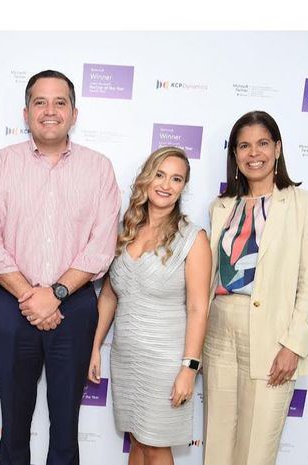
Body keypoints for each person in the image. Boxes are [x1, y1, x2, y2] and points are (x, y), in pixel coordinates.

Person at [0, 69, 121, 465]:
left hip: (73, 307)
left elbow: (101, 246)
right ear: (26, 113)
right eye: (40, 102)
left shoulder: (99, 169)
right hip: (11, 305)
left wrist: (54, 295)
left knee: (65, 429)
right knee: (13, 425)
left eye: (60, 102)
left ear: (75, 113)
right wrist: (29, 295)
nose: (50, 111)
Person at [203, 110, 308, 465]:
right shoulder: (222, 207)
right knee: (217, 442)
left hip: (273, 337)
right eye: (244, 145)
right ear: (235, 154)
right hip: (219, 332)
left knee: (256, 450)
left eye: (262, 143)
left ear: (277, 148)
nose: (253, 153)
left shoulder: (304, 206)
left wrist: (293, 346)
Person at [88, 147, 211, 465]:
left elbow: (199, 308)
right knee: (137, 442)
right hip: (127, 357)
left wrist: (189, 368)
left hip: (166, 362)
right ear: (147, 176)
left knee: (156, 447)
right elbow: (109, 296)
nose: (166, 184)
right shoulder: (123, 231)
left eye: (176, 178)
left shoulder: (192, 239)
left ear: (183, 187)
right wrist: (94, 346)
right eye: (160, 174)